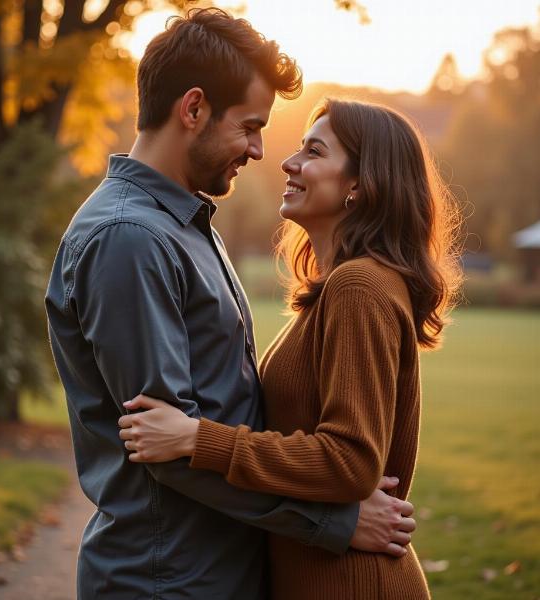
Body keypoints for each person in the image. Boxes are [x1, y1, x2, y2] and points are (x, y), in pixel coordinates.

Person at [46, 8, 416, 599]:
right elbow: (164, 443)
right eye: (250, 126)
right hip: (168, 580)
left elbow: (207, 427)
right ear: (192, 109)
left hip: (220, 572)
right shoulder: (129, 238)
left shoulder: (188, 226)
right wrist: (334, 522)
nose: (260, 149)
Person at [118, 98, 462, 599]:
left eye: (314, 151)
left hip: (353, 583)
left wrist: (197, 438)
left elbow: (350, 461)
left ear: (361, 184)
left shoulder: (359, 288)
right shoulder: (338, 289)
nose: (289, 162)